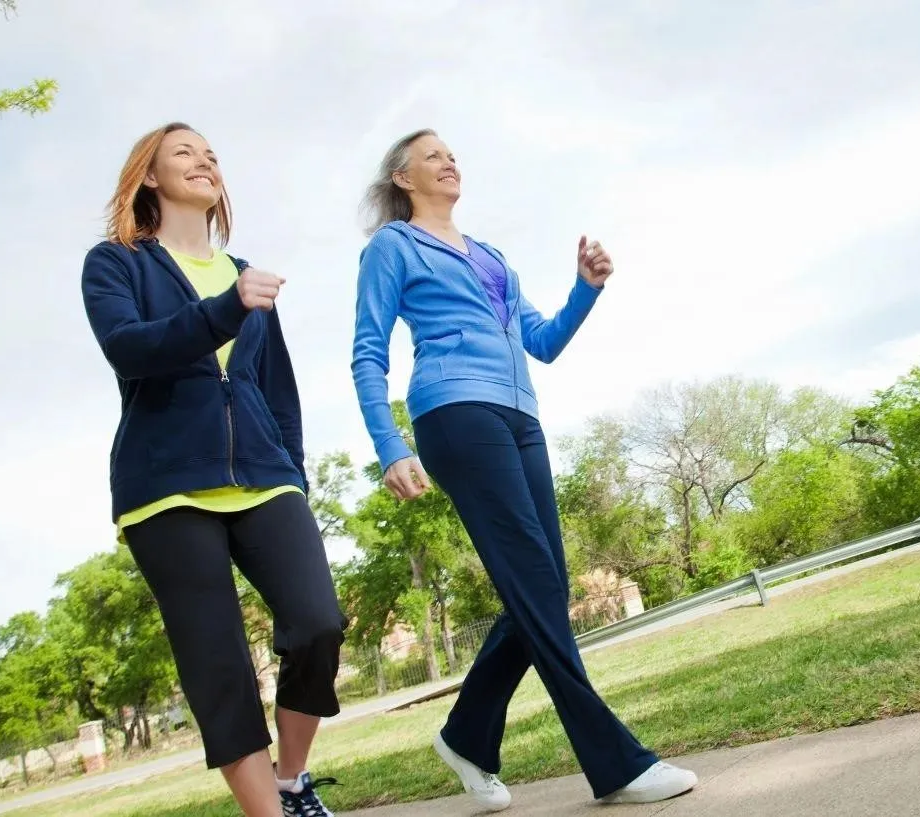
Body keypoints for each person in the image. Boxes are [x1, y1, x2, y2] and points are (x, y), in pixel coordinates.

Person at [351, 128, 698, 811]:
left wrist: (585, 289)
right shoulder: (393, 247)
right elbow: (368, 350)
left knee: (544, 587)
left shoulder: (492, 258)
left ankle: (467, 735)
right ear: (402, 177)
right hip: (455, 410)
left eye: (453, 152)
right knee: (537, 583)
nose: (449, 160)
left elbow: (542, 341)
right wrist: (390, 444)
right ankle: (616, 762)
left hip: (520, 416)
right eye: (432, 155)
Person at [80, 122, 347, 817]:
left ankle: (292, 780)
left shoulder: (242, 271)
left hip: (264, 476)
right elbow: (129, 348)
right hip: (165, 490)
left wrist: (295, 473)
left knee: (318, 621)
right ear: (148, 177)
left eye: (211, 155)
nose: (203, 161)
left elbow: (275, 388)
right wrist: (226, 309)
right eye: (183, 153)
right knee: (219, 663)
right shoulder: (117, 264)